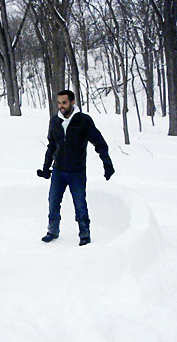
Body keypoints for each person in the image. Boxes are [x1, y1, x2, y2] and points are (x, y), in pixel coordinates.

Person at [37, 90, 114, 246]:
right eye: (59, 103)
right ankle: (52, 231)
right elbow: (51, 146)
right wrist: (46, 168)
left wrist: (107, 164)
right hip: (58, 171)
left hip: (77, 172)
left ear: (72, 102)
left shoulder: (83, 121)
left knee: (80, 203)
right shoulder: (54, 121)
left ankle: (84, 234)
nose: (61, 106)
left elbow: (99, 142)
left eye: (64, 103)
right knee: (53, 202)